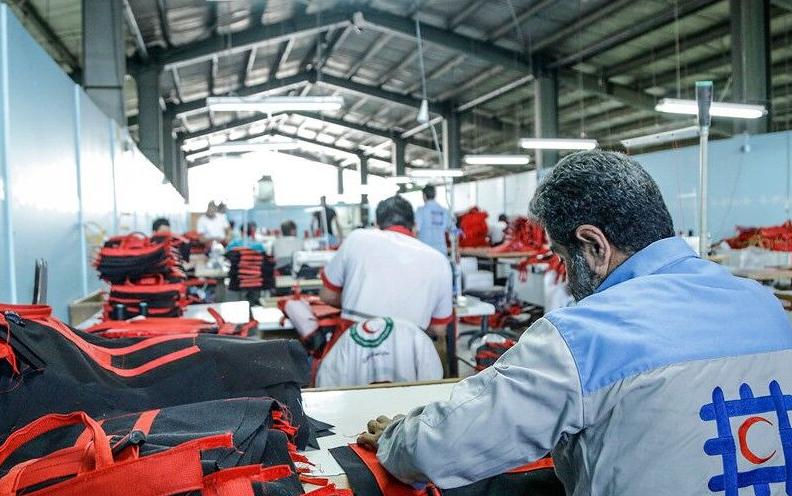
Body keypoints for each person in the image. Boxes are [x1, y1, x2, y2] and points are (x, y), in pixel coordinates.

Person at [357, 150, 792, 494]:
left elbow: (443, 447)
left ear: (594, 245)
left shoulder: (586, 335)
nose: (565, 275)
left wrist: (397, 437)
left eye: (563, 257)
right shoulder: (766, 306)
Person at [319, 195, 453, 339]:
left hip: (355, 343)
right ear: (414, 226)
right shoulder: (440, 261)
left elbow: (327, 295)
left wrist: (359, 303)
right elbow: (439, 329)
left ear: (376, 225)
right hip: (408, 349)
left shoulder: (356, 239)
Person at [415, 185, 451, 254]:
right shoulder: (445, 211)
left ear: (424, 195)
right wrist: (456, 250)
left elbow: (415, 230)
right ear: (435, 195)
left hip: (426, 251)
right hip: (441, 252)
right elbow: (454, 231)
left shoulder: (420, 211)